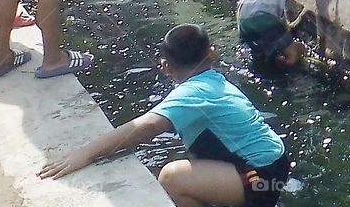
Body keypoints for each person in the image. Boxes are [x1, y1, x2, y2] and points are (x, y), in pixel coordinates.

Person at [40, 23, 291, 207]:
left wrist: (84, 154)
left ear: (165, 66)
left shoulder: (193, 93)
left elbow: (146, 127)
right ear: (211, 54)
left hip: (260, 175)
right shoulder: (214, 81)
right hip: (274, 163)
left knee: (173, 178)